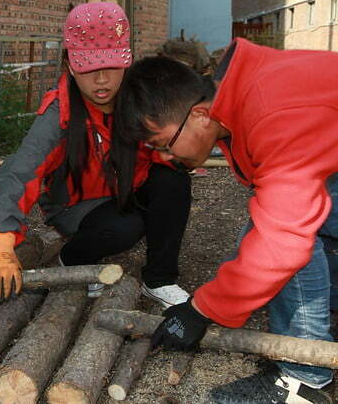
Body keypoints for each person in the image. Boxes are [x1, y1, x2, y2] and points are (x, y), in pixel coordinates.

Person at [118, 37, 338, 403]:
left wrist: (202, 308)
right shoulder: (240, 95)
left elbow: (281, 243)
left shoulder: (270, 111)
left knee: (285, 240)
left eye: (163, 144)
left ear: (201, 116)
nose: (166, 157)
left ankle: (305, 379)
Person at [0, 2, 192, 306]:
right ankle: (72, 259)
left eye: (111, 66)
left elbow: (166, 147)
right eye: (89, 68)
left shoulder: (139, 101)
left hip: (123, 189)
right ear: (69, 65)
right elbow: (18, 172)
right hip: (77, 206)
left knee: (173, 179)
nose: (101, 80)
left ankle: (159, 279)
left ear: (126, 62)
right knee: (125, 228)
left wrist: (176, 151)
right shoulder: (58, 113)